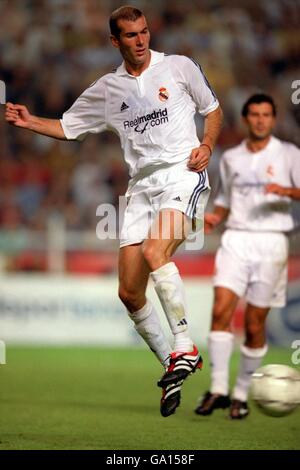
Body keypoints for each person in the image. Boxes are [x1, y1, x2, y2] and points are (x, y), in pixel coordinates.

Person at [5, 5, 223, 417]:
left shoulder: (178, 67)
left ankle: (184, 345)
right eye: (130, 35)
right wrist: (31, 121)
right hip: (140, 188)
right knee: (128, 292)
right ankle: (171, 366)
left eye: (143, 33)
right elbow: (69, 127)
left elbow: (212, 111)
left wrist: (207, 145)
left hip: (182, 174)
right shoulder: (107, 89)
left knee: (155, 253)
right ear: (115, 41)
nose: (140, 41)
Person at [194, 93, 300, 419]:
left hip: (272, 242)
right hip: (236, 239)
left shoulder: (289, 154)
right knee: (220, 310)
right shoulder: (231, 158)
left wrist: (286, 191)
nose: (259, 120)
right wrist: (216, 215)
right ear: (245, 119)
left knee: (254, 324)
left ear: (273, 118)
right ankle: (218, 390)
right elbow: (226, 197)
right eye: (254, 114)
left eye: (266, 114)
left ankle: (241, 393)